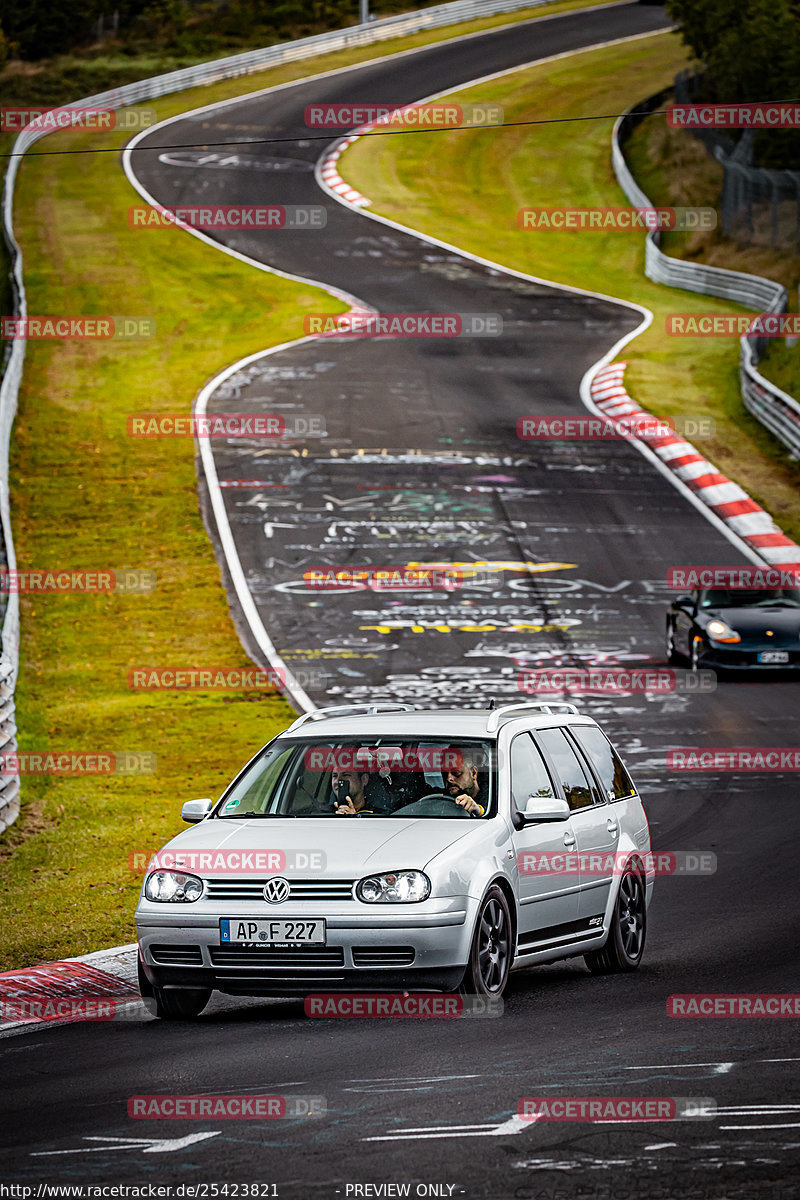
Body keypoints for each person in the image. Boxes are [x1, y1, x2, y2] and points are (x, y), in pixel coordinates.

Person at [442, 746, 488, 817]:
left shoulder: (493, 798)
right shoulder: (440, 797)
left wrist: (478, 810)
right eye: (444, 773)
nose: (449, 778)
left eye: (456, 772)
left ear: (473, 773)